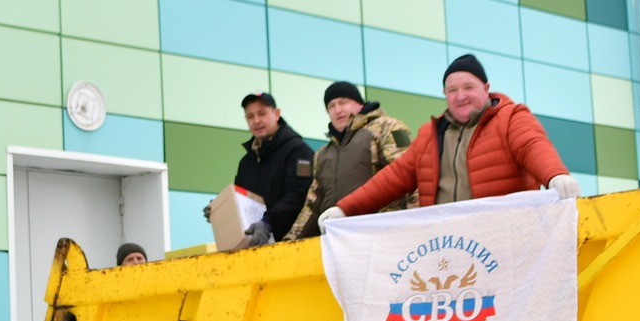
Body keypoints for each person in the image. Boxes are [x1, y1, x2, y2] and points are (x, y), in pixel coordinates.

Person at [322, 55, 578, 222]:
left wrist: (555, 175)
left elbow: (532, 146)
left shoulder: (511, 117)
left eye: (468, 87)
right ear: (445, 94)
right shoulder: (430, 135)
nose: (460, 96)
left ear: (486, 89)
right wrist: (345, 209)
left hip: (505, 237)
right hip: (446, 246)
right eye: (452, 90)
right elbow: (392, 178)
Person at [286, 82, 415, 240]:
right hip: (335, 242)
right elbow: (312, 206)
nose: (337, 110)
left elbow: (408, 177)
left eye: (343, 102)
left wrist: (411, 229)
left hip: (381, 236)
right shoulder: (322, 154)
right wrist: (289, 241)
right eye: (331, 106)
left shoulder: (386, 127)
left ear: (359, 104)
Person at [205, 92, 314, 247]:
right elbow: (241, 200)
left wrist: (268, 223)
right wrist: (219, 208)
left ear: (277, 114)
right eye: (250, 116)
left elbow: (299, 196)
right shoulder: (247, 162)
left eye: (262, 114)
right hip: (254, 247)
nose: (256, 121)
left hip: (292, 246)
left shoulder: (298, 151)